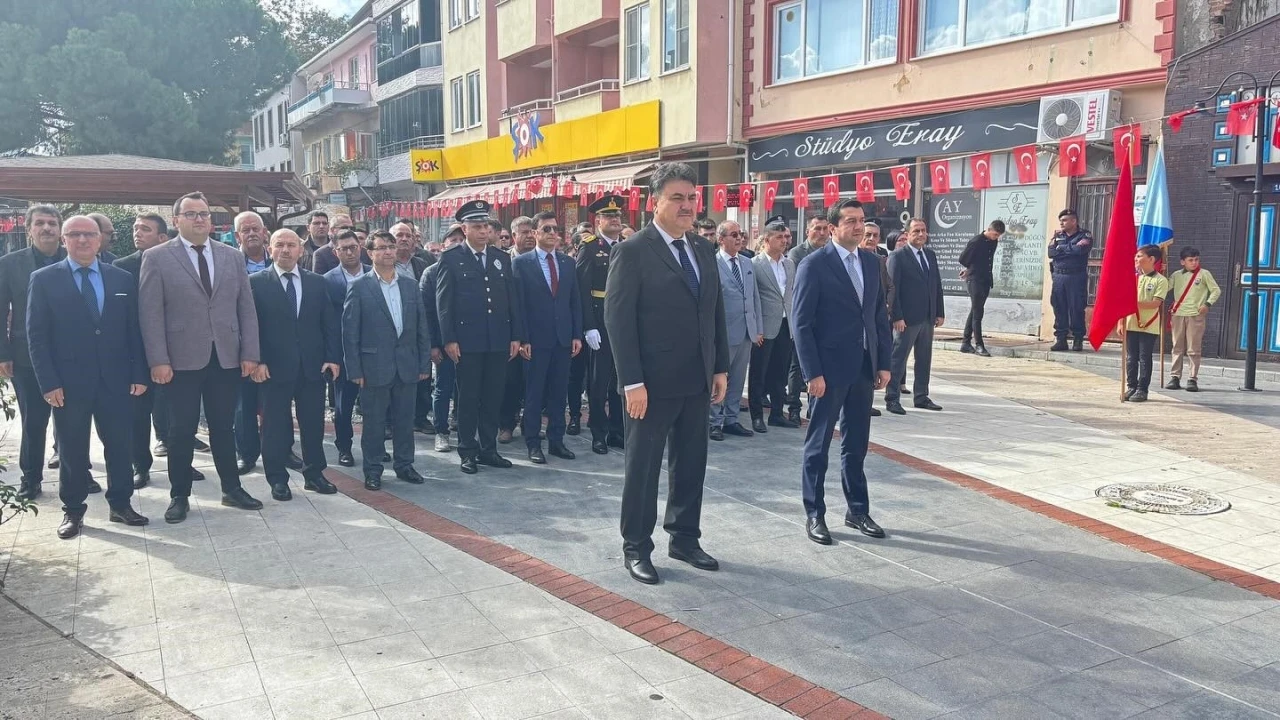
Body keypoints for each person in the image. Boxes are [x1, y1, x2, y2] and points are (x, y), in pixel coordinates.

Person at [604, 162, 729, 586]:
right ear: (654, 202)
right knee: (643, 468)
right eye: (677, 198)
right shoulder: (633, 250)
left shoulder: (703, 249)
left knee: (691, 463)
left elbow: (714, 310)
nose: (687, 205)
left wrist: (720, 366)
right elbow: (618, 319)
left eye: (692, 197)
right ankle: (636, 547)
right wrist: (632, 382)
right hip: (651, 384)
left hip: (697, 377)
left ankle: (685, 538)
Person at [139, 191, 263, 523]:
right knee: (181, 430)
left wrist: (250, 352)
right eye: (191, 214)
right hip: (180, 360)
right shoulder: (157, 257)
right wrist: (158, 360)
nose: (199, 219)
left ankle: (232, 489)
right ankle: (179, 495)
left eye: (204, 214)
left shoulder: (230, 256)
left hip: (225, 357)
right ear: (176, 220)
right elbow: (150, 314)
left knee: (223, 427)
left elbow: (246, 308)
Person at [27, 216, 150, 538]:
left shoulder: (121, 278)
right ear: (64, 240)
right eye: (75, 234)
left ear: (99, 240)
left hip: (116, 380)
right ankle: (73, 510)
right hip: (68, 384)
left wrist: (139, 373)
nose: (82, 240)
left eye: (89, 234)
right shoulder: (44, 279)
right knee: (72, 450)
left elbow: (134, 330)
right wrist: (48, 383)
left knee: (120, 445)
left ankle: (120, 503)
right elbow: (36, 336)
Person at [792, 199, 893, 545]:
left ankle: (858, 510)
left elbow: (878, 316)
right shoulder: (814, 264)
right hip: (828, 371)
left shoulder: (871, 262)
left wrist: (883, 363)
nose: (858, 227)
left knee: (856, 443)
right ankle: (814, 513)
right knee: (818, 444)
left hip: (863, 367)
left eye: (861, 220)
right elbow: (801, 324)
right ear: (833, 227)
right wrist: (812, 373)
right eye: (850, 221)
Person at [249, 229, 341, 500]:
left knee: (313, 424)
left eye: (291, 245)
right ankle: (277, 478)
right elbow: (250, 326)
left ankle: (314, 474)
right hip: (272, 368)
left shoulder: (317, 283)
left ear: (301, 250)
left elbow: (329, 323)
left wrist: (332, 357)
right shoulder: (255, 283)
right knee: (274, 426)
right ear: (270, 249)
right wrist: (258, 360)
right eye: (279, 245)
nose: (286, 250)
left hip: (312, 367)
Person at [436, 201, 524, 474]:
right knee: (468, 398)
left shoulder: (500, 257)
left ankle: (488, 449)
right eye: (477, 226)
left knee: (492, 397)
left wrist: (516, 335)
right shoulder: (451, 258)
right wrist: (449, 339)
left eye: (486, 226)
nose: (484, 231)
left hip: (497, 340)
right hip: (467, 342)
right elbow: (444, 304)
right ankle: (467, 451)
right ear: (465, 229)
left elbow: (511, 300)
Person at [342, 231, 431, 489]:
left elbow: (421, 328)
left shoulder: (410, 285)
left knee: (405, 420)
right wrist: (354, 369)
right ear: (370, 253)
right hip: (373, 367)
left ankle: (405, 465)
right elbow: (350, 333)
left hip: (406, 365)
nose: (388, 251)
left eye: (391, 246)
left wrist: (424, 363)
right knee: (374, 423)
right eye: (381, 248)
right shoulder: (359, 287)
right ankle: (372, 470)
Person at [114, 213, 195, 489]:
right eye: (136, 228)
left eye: (145, 229)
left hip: (175, 351)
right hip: (137, 353)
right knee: (138, 415)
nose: (137, 233)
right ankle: (140, 465)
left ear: (162, 237)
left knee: (177, 414)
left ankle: (182, 465)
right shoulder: (122, 268)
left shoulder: (180, 264)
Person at [0, 205, 70, 500]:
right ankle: (31, 478)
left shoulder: (74, 258)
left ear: (60, 229)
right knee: (33, 422)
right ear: (29, 229)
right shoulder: (9, 264)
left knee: (73, 420)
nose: (46, 228)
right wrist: (3, 353)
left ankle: (77, 473)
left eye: (52, 223)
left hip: (72, 356)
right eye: (39, 223)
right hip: (26, 356)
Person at [513, 211, 582, 464]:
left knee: (558, 393)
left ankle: (556, 440)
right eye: (546, 229)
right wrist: (523, 339)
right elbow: (518, 306)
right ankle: (533, 442)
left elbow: (574, 301)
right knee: (534, 393)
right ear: (535, 233)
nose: (553, 233)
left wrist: (576, 334)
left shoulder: (567, 263)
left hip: (563, 339)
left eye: (555, 229)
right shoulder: (522, 263)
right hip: (535, 340)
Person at [577, 195, 627, 455]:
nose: (615, 220)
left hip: (623, 323)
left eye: (617, 215)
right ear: (598, 221)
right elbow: (582, 290)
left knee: (621, 380)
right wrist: (588, 326)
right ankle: (599, 432)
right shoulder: (589, 247)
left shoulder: (626, 246)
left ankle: (618, 431)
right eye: (609, 216)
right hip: (600, 321)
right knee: (598, 383)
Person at [884, 219, 944, 415]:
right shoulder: (898, 256)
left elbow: (936, 284)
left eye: (923, 231)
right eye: (916, 231)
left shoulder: (930, 255)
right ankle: (892, 398)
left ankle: (921, 396)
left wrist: (939, 311)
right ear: (907, 234)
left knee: (924, 359)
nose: (920, 234)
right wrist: (897, 317)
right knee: (898, 359)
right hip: (906, 319)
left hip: (927, 317)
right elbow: (893, 289)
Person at [709, 220, 762, 441]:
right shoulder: (712, 263)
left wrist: (758, 328)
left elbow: (754, 296)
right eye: (733, 234)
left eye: (740, 233)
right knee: (719, 376)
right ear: (721, 239)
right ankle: (714, 421)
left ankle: (731, 419)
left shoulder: (747, 262)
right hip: (724, 332)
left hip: (747, 330)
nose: (739, 238)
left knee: (739, 378)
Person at [323, 230, 370, 467]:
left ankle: (374, 447)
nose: (350, 252)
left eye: (353, 247)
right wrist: (331, 356)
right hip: (342, 353)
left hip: (373, 350)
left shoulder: (374, 273)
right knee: (344, 405)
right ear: (336, 252)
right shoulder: (327, 281)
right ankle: (344, 447)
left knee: (375, 404)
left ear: (360, 247)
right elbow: (327, 322)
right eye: (344, 249)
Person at [750, 224, 798, 433]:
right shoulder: (754, 264)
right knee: (758, 373)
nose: (784, 241)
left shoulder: (789, 264)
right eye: (779, 237)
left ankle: (777, 414)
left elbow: (790, 294)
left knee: (780, 372)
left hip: (786, 324)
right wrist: (755, 328)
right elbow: (752, 298)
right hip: (764, 327)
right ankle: (756, 416)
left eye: (785, 237)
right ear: (767, 239)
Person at [422, 225, 463, 453]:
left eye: (460, 239)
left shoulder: (472, 268)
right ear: (443, 245)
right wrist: (433, 345)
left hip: (469, 342)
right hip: (442, 342)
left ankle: (463, 426)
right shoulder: (431, 273)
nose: (457, 243)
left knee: (466, 389)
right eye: (452, 239)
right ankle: (441, 431)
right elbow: (427, 312)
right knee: (443, 388)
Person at [1167, 247, 1221, 392]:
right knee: (1177, 347)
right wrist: (1161, 272)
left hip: (1195, 315)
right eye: (1190, 260)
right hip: (1178, 314)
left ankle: (1192, 378)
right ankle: (1175, 376)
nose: (1194, 262)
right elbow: (1165, 287)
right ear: (1182, 262)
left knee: (1193, 348)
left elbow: (1216, 290)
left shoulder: (1204, 274)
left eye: (1196, 259)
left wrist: (1207, 304)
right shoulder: (1176, 275)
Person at [1123, 245, 1170, 403]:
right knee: (1131, 357)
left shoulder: (1160, 280)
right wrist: (1120, 323)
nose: (1136, 259)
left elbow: (1155, 303)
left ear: (1151, 259)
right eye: (1136, 256)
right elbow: (1122, 303)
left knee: (1144, 357)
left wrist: (1133, 304)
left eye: (1139, 256)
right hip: (1131, 323)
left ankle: (1142, 389)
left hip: (1149, 325)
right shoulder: (1133, 278)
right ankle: (1131, 386)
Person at [1048, 209, 1093, 351]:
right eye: (1060, 221)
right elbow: (1051, 253)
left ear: (1074, 221)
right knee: (1059, 307)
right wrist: (1069, 249)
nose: (1061, 223)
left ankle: (1078, 339)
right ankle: (1061, 339)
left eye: (1064, 220)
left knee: (1076, 308)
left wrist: (1061, 248)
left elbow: (1080, 250)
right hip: (1059, 277)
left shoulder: (1084, 235)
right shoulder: (1057, 235)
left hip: (1076, 277)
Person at [959, 220, 1005, 357]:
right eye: (995, 234)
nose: (996, 238)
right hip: (975, 279)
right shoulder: (976, 241)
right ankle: (979, 344)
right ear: (988, 230)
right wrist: (970, 269)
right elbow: (963, 259)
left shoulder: (993, 242)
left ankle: (965, 343)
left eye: (998, 236)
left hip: (986, 279)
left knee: (975, 310)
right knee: (978, 312)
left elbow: (986, 260)